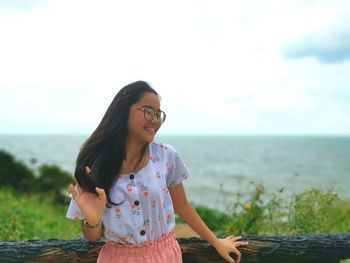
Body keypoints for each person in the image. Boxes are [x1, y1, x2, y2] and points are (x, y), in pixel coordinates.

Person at [66, 80, 248, 263]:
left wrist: (215, 241)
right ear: (124, 110)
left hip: (165, 256)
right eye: (148, 111)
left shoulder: (166, 156)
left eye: (158, 114)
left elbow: (182, 205)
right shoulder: (94, 165)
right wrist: (93, 220)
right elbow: (92, 237)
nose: (155, 119)